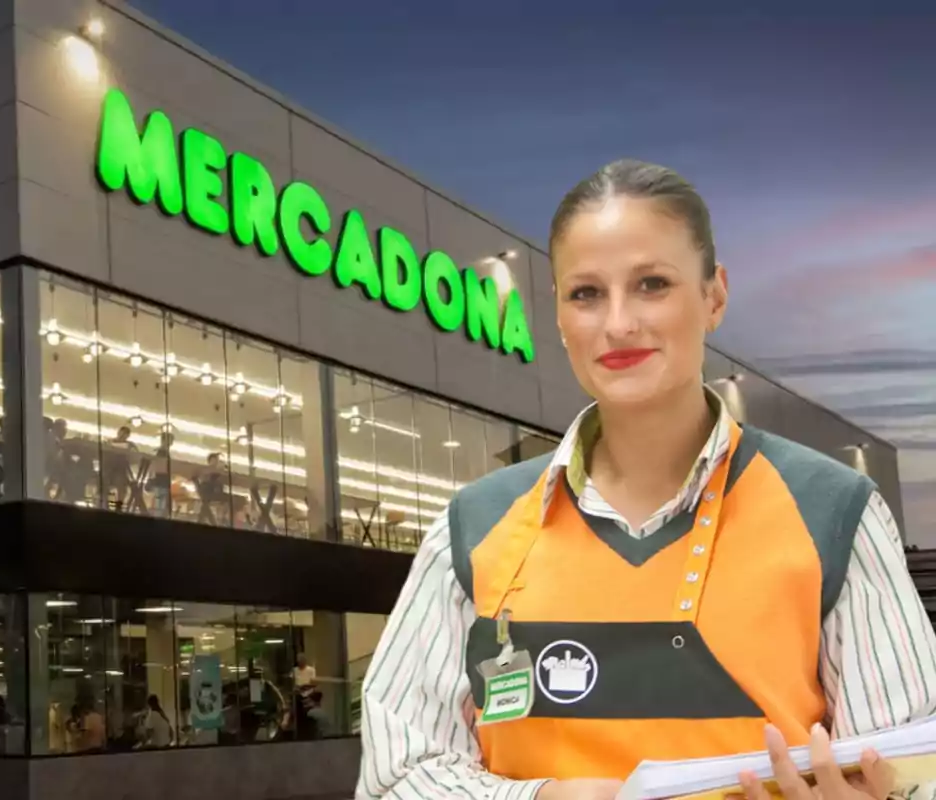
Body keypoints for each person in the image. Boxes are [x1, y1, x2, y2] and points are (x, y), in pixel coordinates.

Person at [357, 159, 936, 800]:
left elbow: (914, 767)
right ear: (557, 315)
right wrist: (549, 799)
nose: (619, 324)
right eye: (586, 294)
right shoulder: (474, 526)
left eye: (652, 284)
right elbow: (398, 778)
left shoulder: (832, 512)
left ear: (714, 297)